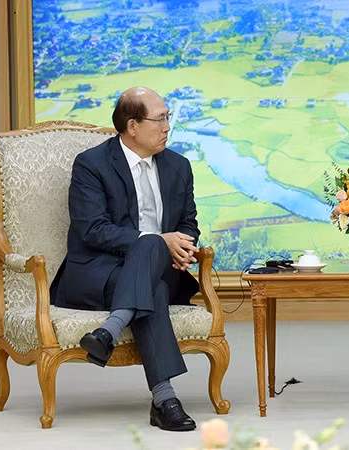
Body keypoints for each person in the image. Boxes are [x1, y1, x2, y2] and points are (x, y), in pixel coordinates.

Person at [50, 86, 201, 431]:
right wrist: (158, 242)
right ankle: (165, 400)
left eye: (167, 118)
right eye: (159, 119)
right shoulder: (92, 164)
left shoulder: (178, 166)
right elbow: (93, 229)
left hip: (161, 268)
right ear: (132, 126)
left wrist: (183, 245)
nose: (167, 127)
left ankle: (109, 331)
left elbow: (188, 223)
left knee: (154, 249)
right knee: (152, 273)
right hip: (100, 272)